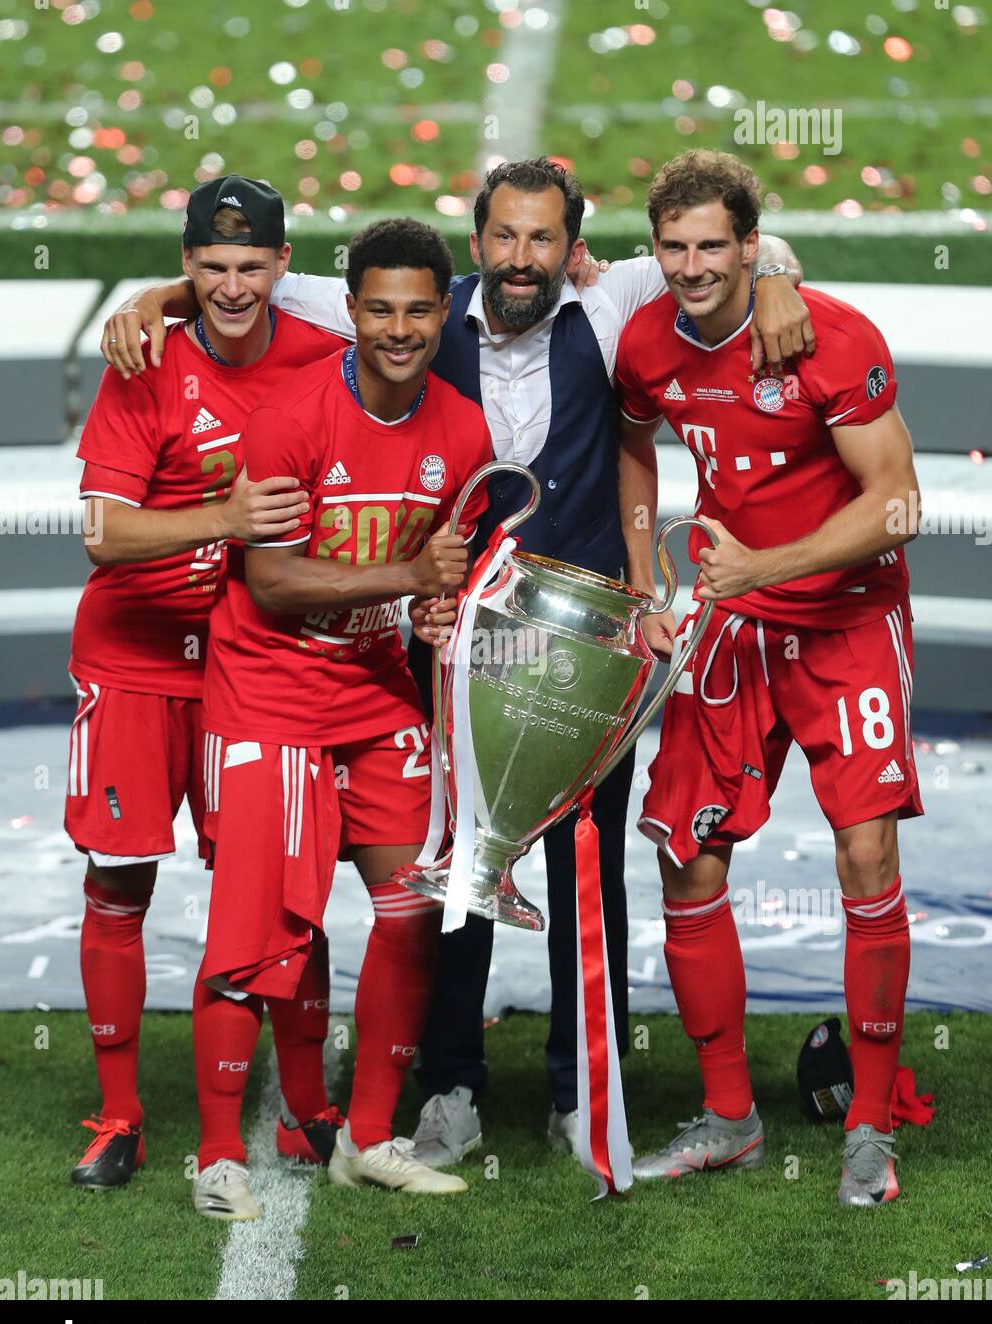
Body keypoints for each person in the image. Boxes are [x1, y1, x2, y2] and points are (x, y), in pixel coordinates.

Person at [101, 155, 812, 1166]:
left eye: (541, 240)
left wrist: (777, 270)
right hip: (455, 639)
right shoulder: (418, 303)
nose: (520, 261)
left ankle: (580, 1087)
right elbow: (252, 280)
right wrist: (155, 294)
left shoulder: (606, 299)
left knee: (581, 861)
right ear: (475, 241)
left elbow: (729, 254)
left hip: (582, 643)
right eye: (503, 238)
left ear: (572, 246)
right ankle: (449, 1084)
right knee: (457, 861)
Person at [616, 149, 921, 1206]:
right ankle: (728, 1115)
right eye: (673, 247)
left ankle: (870, 1125)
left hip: (843, 620)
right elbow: (628, 438)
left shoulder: (828, 338)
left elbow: (895, 504)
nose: (692, 266)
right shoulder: (646, 336)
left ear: (751, 245)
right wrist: (639, 571)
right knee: (682, 852)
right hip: (729, 620)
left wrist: (758, 567)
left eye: (713, 245)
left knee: (863, 849)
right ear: (652, 251)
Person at [192, 217, 493, 1217]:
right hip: (266, 688)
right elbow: (271, 579)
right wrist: (410, 574)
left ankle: (366, 1137)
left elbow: (436, 581)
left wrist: (433, 603)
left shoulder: (463, 431)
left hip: (372, 688)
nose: (398, 328)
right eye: (378, 308)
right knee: (257, 930)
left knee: (410, 911)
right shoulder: (287, 417)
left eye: (418, 309)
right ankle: (216, 1152)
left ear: (444, 313)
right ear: (350, 308)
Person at [66, 174, 348, 1189]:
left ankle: (306, 1104)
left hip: (255, 665)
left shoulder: (330, 352)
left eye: (250, 266)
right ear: (187, 266)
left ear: (282, 267)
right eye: (211, 268)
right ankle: (118, 1111)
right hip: (135, 660)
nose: (232, 286)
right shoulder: (146, 364)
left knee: (279, 884)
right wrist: (223, 520)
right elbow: (102, 535)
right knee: (118, 880)